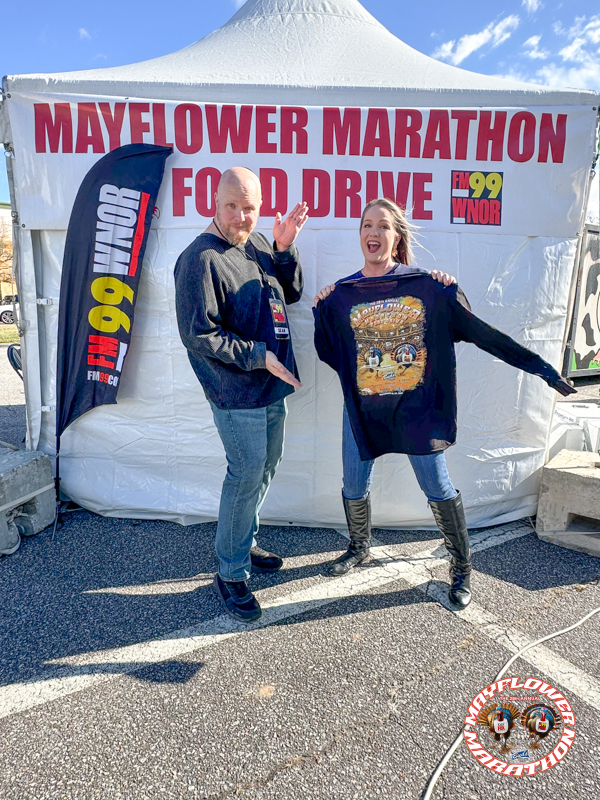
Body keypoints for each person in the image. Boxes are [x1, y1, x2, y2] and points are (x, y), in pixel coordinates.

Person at [313, 198, 575, 609]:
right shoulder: (343, 294)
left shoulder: (426, 286)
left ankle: (461, 567)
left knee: (437, 486)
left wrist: (542, 369)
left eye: (383, 226)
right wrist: (321, 309)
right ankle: (359, 547)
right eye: (367, 225)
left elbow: (480, 332)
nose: (373, 232)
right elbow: (330, 352)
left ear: (397, 237)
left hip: (416, 412)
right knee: (353, 483)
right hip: (364, 411)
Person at [174, 167, 308, 623]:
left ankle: (243, 542)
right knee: (246, 472)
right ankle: (230, 572)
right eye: (231, 206)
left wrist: (284, 250)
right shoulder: (200, 259)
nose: (240, 217)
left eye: (248, 207)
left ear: (259, 206)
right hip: (236, 392)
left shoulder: (259, 244)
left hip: (272, 384)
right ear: (214, 202)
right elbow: (198, 335)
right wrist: (257, 355)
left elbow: (291, 294)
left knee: (265, 468)